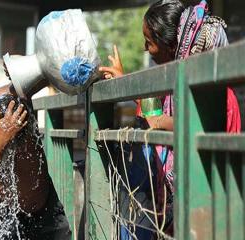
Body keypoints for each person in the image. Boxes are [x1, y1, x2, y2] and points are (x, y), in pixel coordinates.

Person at [99, 0, 241, 237]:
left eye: (149, 43)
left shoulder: (214, 93)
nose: (146, 50)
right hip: (184, 211)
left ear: (171, 45)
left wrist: (163, 123)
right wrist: (125, 81)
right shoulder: (174, 90)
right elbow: (157, 114)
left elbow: (195, 128)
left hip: (211, 213)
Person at [0, 83, 71, 239]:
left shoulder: (21, 101)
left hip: (44, 212)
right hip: (2, 211)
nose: (13, 152)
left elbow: (48, 69)